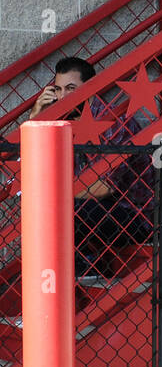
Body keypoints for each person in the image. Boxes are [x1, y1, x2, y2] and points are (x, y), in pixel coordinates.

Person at [27, 57, 145, 280]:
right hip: (92, 211)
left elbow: (106, 186)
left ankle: (83, 264)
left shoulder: (113, 122)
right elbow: (39, 166)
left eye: (71, 89)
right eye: (58, 89)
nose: (63, 97)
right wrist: (37, 119)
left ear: (92, 88)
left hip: (134, 215)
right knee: (56, 204)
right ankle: (81, 261)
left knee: (63, 205)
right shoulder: (66, 122)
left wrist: (53, 192)